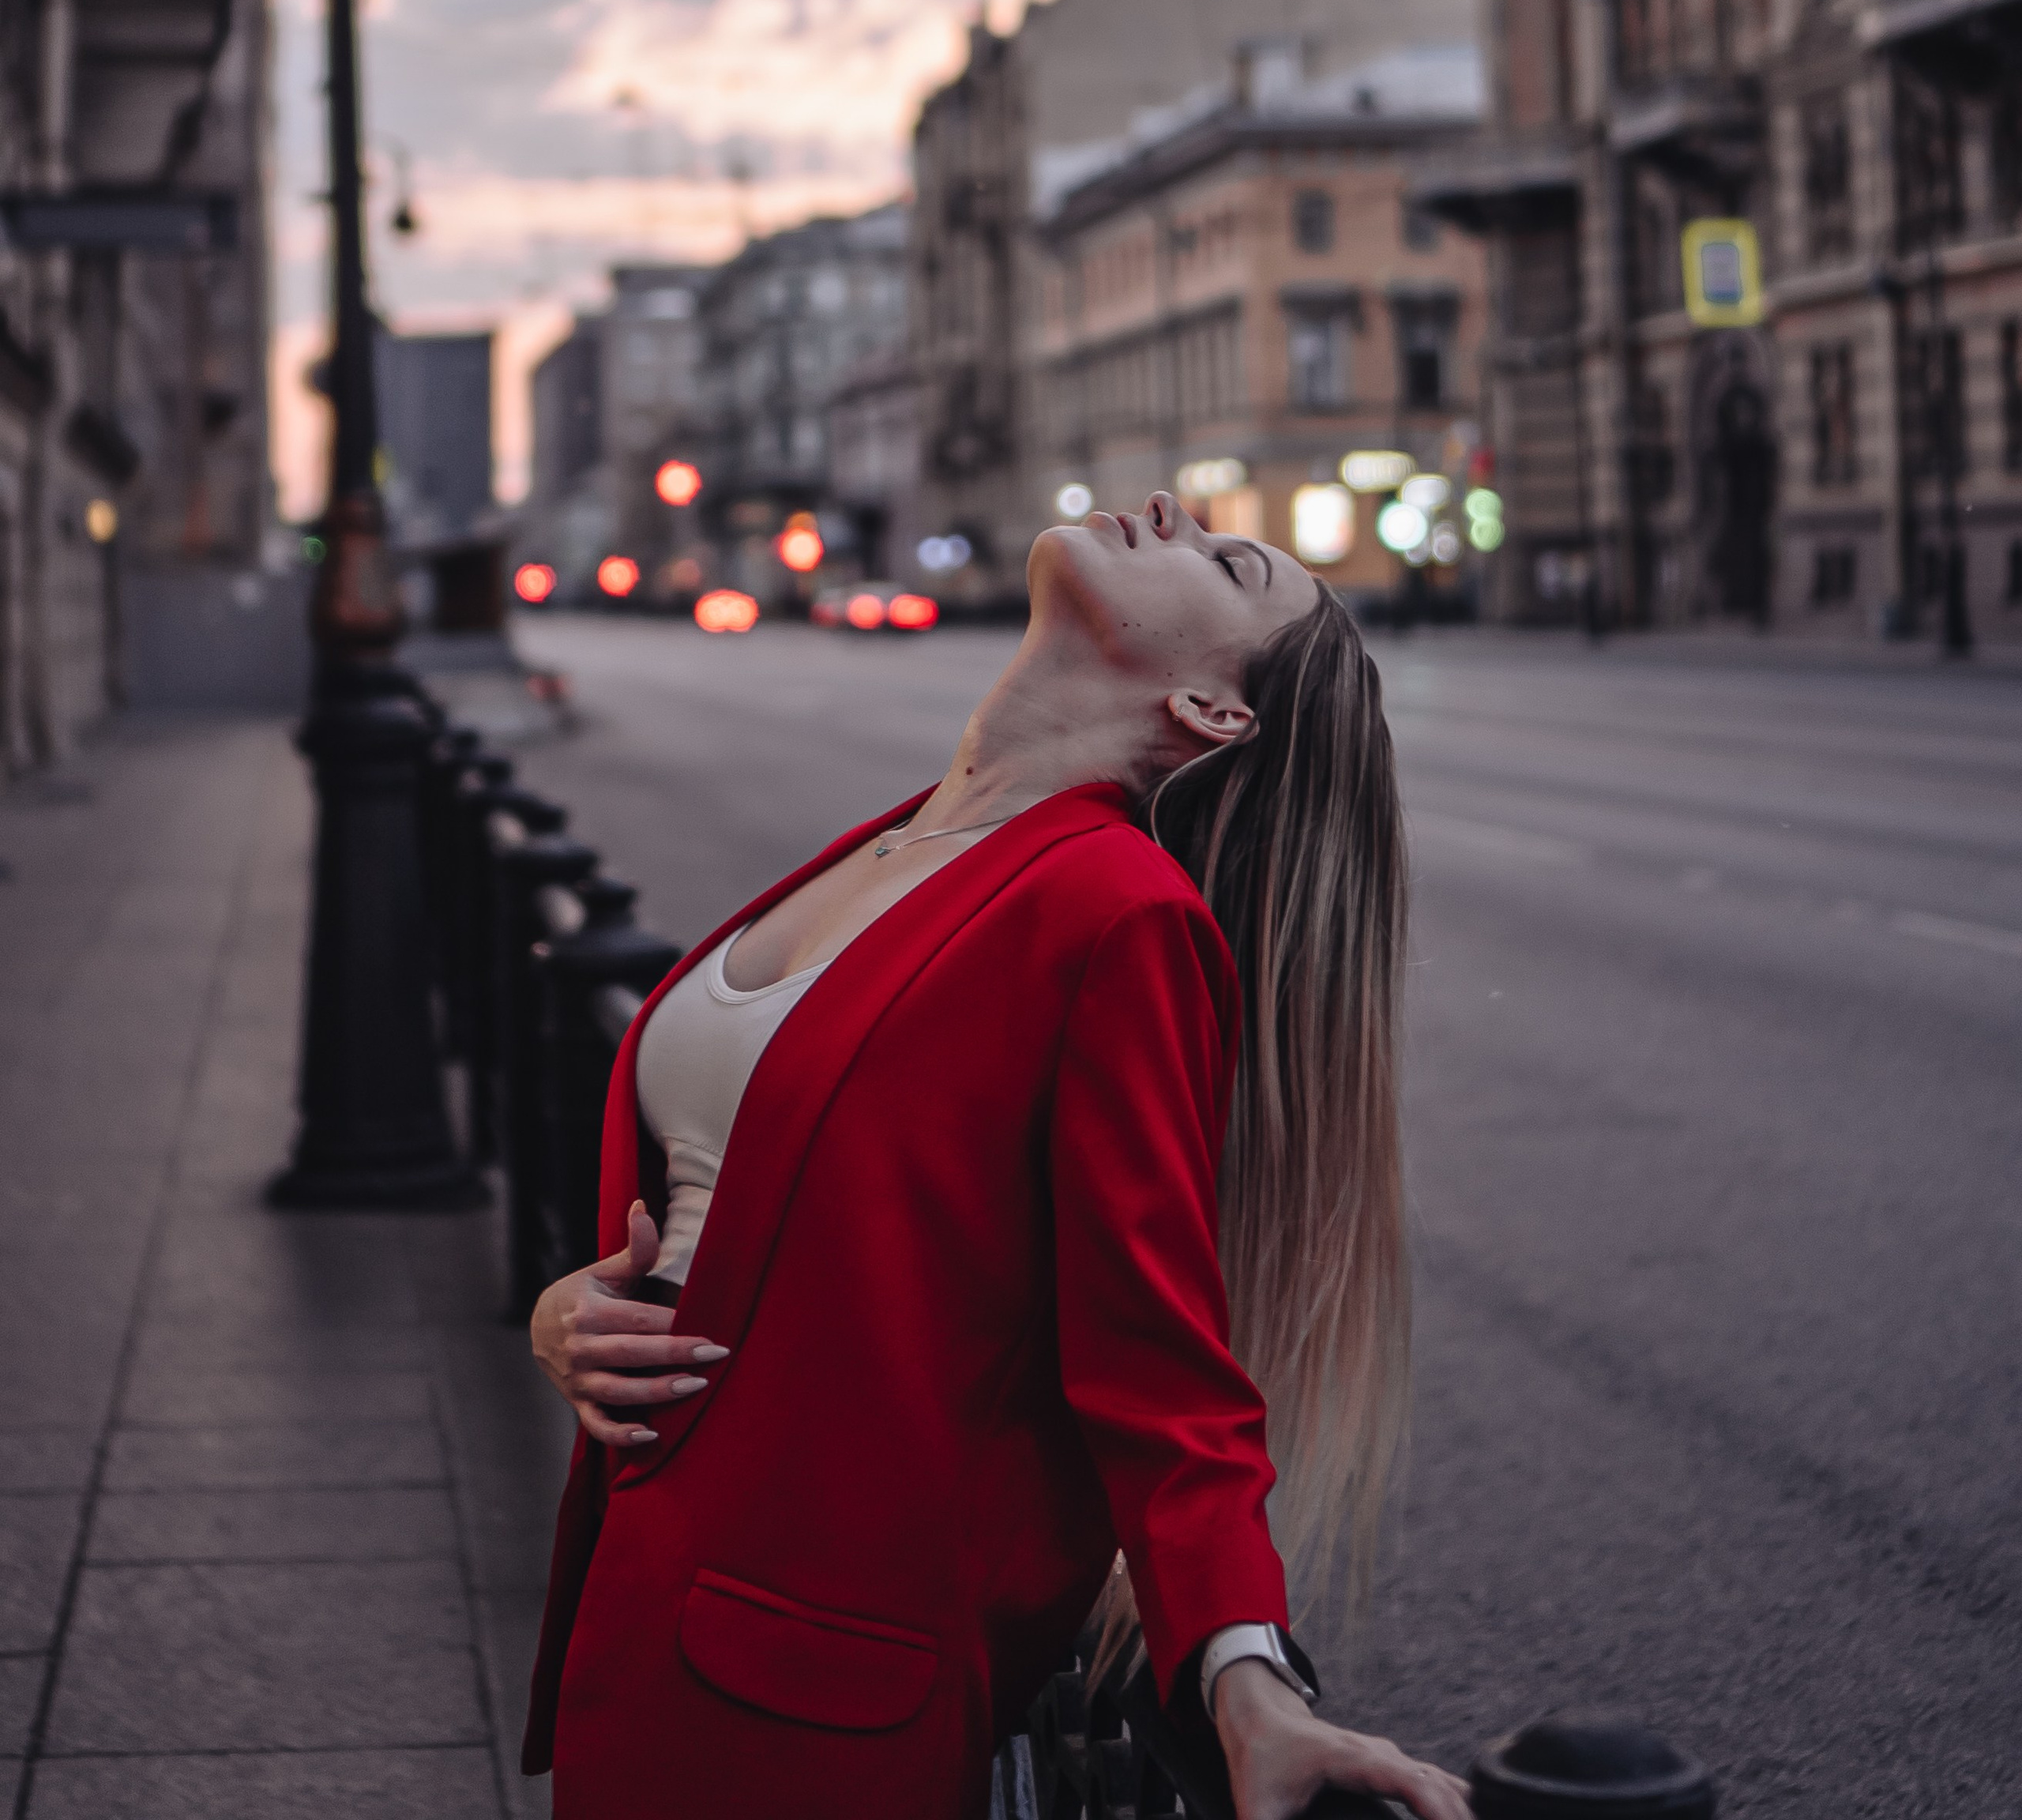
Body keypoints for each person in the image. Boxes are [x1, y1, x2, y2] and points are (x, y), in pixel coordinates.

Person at [524, 489, 1467, 1820]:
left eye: (1229, 562)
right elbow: (751, 1201)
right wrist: (570, 1314)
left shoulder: (1116, 912)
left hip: (803, 1697)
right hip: (649, 1607)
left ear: (1213, 714)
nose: (1177, 512)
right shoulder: (905, 839)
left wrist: (1245, 1675)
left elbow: (1159, 1364)